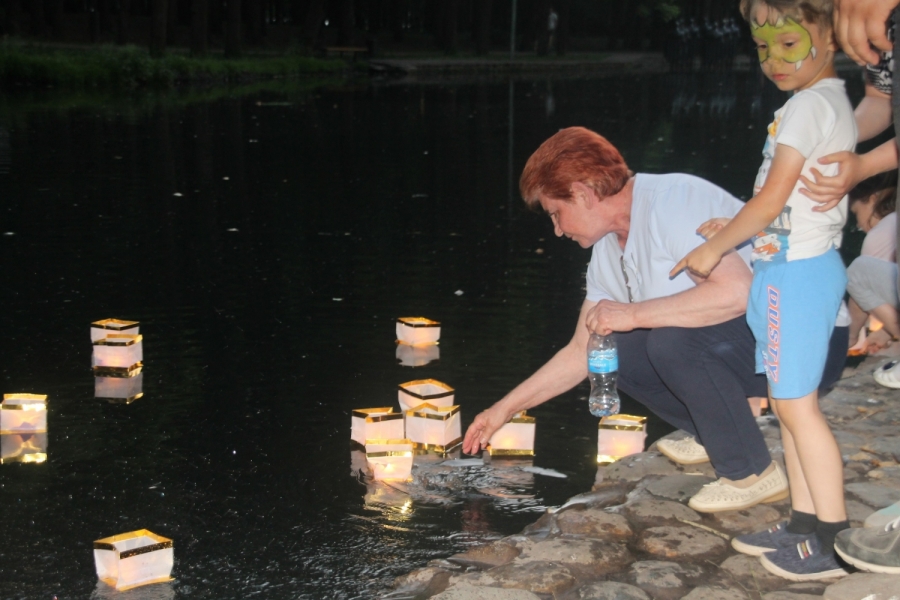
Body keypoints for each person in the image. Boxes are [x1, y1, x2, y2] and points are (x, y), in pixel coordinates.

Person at [461, 126, 848, 515]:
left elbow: (737, 293)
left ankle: (750, 474)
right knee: (610, 348)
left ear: (582, 193)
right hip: (753, 344)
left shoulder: (674, 201)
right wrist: (503, 410)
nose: (558, 230)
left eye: (556, 214)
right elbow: (581, 351)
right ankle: (718, 434)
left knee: (671, 342)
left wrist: (632, 314)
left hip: (808, 342)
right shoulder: (608, 248)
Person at [673, 0, 856, 581]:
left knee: (798, 409)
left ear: (830, 36)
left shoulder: (809, 105)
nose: (773, 58)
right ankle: (804, 524)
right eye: (762, 46)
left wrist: (716, 248)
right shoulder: (822, 101)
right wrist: (733, 228)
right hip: (789, 267)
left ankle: (832, 540)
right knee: (788, 404)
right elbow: (782, 205)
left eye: (789, 42)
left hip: (796, 276)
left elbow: (773, 198)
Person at [846, 173, 899, 354]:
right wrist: (884, 333)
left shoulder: (883, 230)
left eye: (856, 213)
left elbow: (860, 294)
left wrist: (851, 335)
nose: (859, 225)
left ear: (873, 199)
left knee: (857, 271)